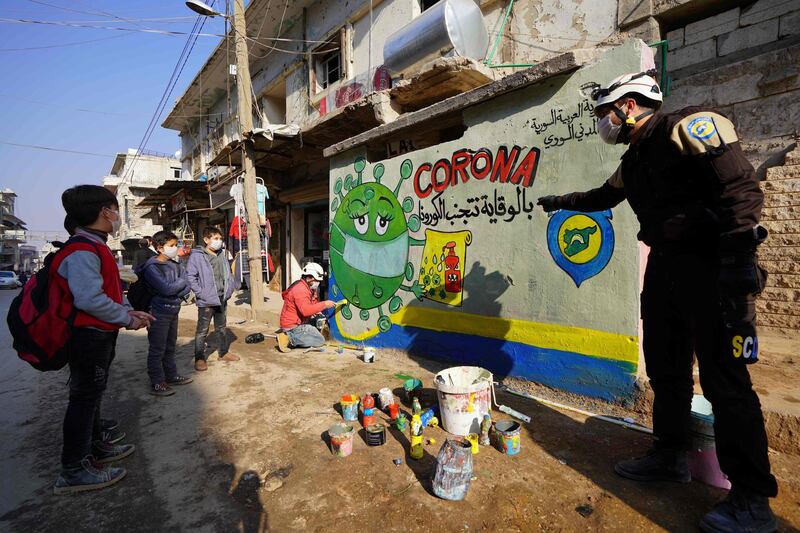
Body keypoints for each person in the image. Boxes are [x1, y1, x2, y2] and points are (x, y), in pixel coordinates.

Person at [536, 71, 777, 533]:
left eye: (604, 112)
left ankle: (751, 500)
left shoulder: (690, 127)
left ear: (628, 106)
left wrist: (740, 258)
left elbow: (741, 190)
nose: (601, 123)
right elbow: (603, 196)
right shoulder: (636, 159)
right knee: (667, 372)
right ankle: (669, 456)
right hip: (665, 271)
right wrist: (560, 201)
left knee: (726, 384)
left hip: (712, 271)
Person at [54, 185, 155, 494]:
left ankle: (95, 448)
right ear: (104, 212)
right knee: (84, 399)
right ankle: (74, 470)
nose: (117, 216)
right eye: (115, 209)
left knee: (92, 396)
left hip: (99, 334)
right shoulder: (83, 250)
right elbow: (89, 299)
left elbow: (110, 292)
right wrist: (126, 317)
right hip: (87, 336)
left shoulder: (95, 246)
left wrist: (129, 311)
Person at [136, 230, 193, 396]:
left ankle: (171, 375)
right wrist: (181, 282)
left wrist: (179, 285)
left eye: (176, 245)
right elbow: (167, 288)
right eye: (172, 246)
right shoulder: (151, 267)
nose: (175, 248)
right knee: (157, 348)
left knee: (170, 346)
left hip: (174, 309)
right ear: (160, 248)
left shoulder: (175, 265)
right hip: (157, 312)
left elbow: (186, 287)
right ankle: (157, 382)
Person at [186, 226, 238, 371]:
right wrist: (200, 292)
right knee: (202, 330)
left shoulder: (222, 254)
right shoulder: (197, 255)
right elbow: (190, 276)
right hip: (206, 300)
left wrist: (230, 287)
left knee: (221, 327)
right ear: (206, 240)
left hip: (222, 298)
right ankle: (199, 358)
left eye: (220, 238)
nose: (219, 241)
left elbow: (228, 272)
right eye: (215, 238)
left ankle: (223, 353)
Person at [277, 262, 335, 352]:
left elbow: (312, 303)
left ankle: (296, 336)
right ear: (309, 278)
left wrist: (317, 310)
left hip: (299, 321)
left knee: (319, 323)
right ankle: (289, 338)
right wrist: (324, 304)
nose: (318, 283)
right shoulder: (300, 290)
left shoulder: (309, 288)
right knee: (320, 340)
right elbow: (305, 311)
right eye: (316, 280)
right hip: (293, 326)